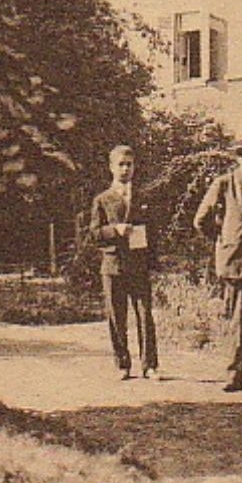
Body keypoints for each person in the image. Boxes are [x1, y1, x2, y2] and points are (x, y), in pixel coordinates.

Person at [194, 136, 242, 392]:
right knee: (236, 319)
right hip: (235, 260)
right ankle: (234, 373)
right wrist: (222, 238)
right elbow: (201, 219)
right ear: (238, 159)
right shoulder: (224, 184)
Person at [87, 144, 158, 379]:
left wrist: (154, 264)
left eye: (129, 164)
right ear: (111, 168)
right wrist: (115, 230)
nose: (126, 169)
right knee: (116, 317)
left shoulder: (143, 197)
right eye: (121, 164)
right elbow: (94, 234)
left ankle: (150, 365)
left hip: (138, 265)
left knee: (145, 315)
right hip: (113, 265)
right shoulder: (102, 199)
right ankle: (122, 364)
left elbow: (153, 233)